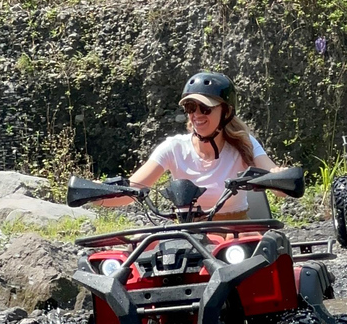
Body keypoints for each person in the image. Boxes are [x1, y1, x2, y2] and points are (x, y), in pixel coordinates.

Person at [99, 71, 281, 220]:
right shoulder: (174, 148)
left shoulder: (245, 144)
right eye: (190, 107)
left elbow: (274, 178)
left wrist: (280, 177)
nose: (197, 115)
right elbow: (132, 188)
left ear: (226, 112)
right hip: (188, 234)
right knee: (143, 252)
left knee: (268, 251)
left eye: (205, 108)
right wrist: (94, 193)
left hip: (235, 234)